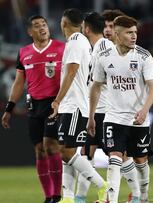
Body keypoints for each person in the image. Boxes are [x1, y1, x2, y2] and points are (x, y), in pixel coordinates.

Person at [87, 15, 153, 203]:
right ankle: (111, 199)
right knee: (115, 158)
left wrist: (144, 109)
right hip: (113, 117)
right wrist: (91, 116)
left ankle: (141, 197)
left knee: (141, 162)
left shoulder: (143, 56)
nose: (134, 36)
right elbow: (96, 86)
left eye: (135, 32)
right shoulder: (103, 57)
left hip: (138, 118)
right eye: (129, 33)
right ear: (117, 35)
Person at [1, 15, 64, 203]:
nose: (42, 28)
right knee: (39, 149)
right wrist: (9, 108)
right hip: (34, 105)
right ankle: (48, 196)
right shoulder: (24, 53)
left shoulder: (62, 48)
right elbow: (19, 82)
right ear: (30, 31)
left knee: (51, 145)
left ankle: (58, 194)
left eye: (44, 24)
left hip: (55, 103)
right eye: (37, 26)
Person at [49, 8, 107, 203]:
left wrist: (57, 100)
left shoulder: (75, 41)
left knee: (66, 151)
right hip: (74, 104)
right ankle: (68, 197)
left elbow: (72, 70)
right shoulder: (81, 42)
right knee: (69, 150)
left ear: (63, 23)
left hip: (73, 104)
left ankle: (102, 184)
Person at [71, 12, 108, 203]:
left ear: (86, 28)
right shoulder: (95, 48)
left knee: (120, 156)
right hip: (95, 110)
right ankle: (80, 197)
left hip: (104, 111)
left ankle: (133, 197)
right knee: (86, 153)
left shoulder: (104, 47)